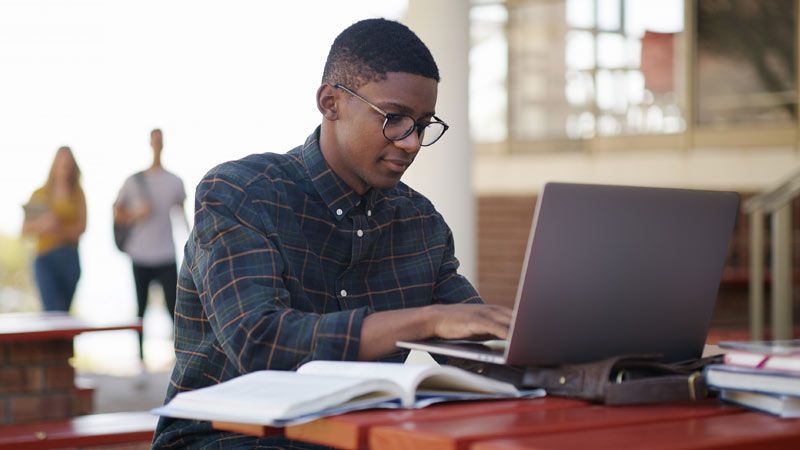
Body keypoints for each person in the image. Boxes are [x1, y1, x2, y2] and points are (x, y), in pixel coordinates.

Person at [152, 18, 512, 448]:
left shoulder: (420, 223)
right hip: (228, 438)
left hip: (361, 437)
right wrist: (428, 319)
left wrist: (560, 351)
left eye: (422, 124)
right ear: (331, 103)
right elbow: (259, 342)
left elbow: (474, 346)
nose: (411, 142)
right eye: (394, 118)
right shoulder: (243, 193)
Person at [113, 128, 187, 364]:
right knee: (140, 309)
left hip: (166, 253)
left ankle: (181, 358)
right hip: (140, 254)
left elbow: (181, 215)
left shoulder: (175, 181)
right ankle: (140, 360)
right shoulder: (134, 181)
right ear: (150, 143)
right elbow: (117, 212)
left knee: (175, 309)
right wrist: (137, 213)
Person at [22, 146, 86, 312]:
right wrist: (43, 225)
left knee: (63, 312)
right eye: (62, 162)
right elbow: (25, 229)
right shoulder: (39, 194)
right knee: (52, 311)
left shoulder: (77, 194)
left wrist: (58, 229)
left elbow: (81, 228)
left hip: (70, 258)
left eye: (69, 164)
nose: (65, 167)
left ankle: (63, 339)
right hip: (45, 257)